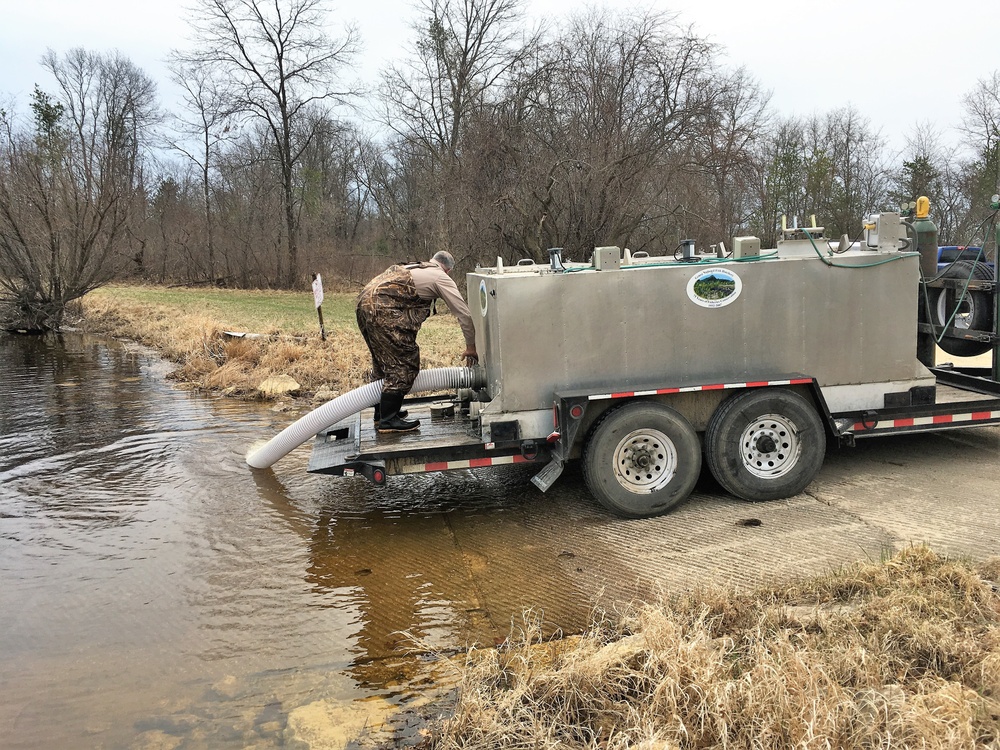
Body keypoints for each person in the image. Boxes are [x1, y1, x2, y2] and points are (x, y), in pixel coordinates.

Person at [356, 250, 479, 433]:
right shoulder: (440, 277)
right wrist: (471, 346)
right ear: (448, 270)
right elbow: (464, 313)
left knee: (383, 363)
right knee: (404, 362)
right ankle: (388, 421)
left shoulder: (414, 266)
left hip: (363, 305)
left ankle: (383, 414)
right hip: (384, 310)